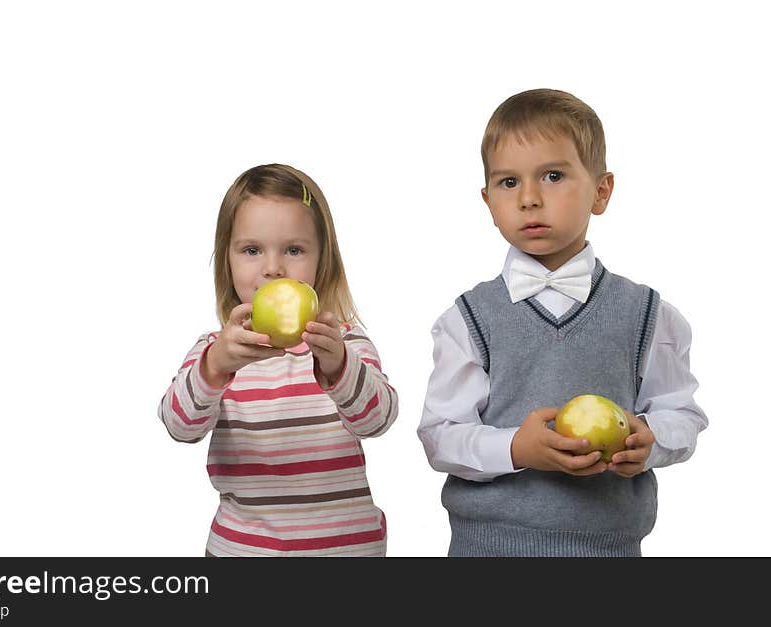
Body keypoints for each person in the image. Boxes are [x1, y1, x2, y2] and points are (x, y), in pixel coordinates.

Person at [417, 89, 708, 557]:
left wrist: (650, 442)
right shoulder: (466, 320)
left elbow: (683, 415)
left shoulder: (647, 315)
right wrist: (517, 449)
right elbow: (440, 437)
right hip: (486, 549)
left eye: (553, 175)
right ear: (487, 199)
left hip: (607, 550)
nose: (529, 198)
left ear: (601, 190)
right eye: (509, 182)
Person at [159, 163, 398, 556]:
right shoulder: (216, 351)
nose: (273, 268)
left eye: (294, 249)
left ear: (323, 261)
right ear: (228, 262)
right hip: (244, 551)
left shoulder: (344, 342)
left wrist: (338, 367)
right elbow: (179, 426)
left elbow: (378, 420)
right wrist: (215, 366)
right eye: (252, 250)